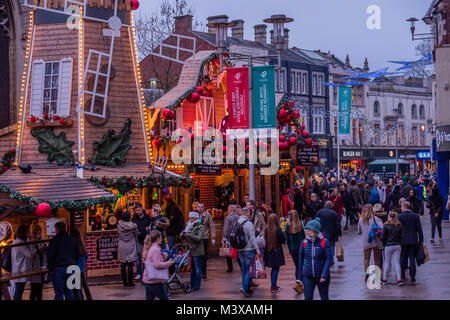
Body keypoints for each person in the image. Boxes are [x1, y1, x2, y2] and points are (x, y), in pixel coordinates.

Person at [297, 218, 333, 300]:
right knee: (308, 297)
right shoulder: (304, 242)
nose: (307, 231)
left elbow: (328, 259)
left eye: (309, 229)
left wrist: (324, 275)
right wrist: (299, 277)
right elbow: (300, 260)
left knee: (324, 297)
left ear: (315, 230)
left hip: (321, 275)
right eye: (306, 229)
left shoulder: (325, 241)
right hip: (307, 275)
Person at [46, 222, 79, 300]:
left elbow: (50, 256)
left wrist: (50, 266)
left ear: (57, 229)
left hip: (58, 269)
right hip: (71, 268)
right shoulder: (72, 239)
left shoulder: (54, 240)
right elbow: (77, 254)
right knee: (69, 292)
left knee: (59, 294)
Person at [142, 230, 175, 300]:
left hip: (147, 279)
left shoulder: (149, 247)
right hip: (155, 280)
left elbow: (151, 260)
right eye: (161, 237)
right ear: (158, 238)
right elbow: (156, 265)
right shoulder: (155, 249)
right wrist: (169, 263)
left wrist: (163, 257)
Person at [398, 201, 424, 284]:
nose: (401, 208)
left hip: (403, 241)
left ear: (404, 207)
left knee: (403, 258)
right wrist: (421, 240)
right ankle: (413, 277)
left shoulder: (400, 216)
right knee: (412, 258)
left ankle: (402, 275)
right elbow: (419, 229)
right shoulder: (415, 216)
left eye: (402, 207)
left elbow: (398, 230)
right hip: (413, 240)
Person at [237, 208, 261, 297]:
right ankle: (244, 287)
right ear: (248, 214)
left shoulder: (237, 222)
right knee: (249, 270)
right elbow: (253, 239)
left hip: (240, 250)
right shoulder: (248, 224)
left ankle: (246, 288)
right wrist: (257, 250)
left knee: (244, 269)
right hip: (249, 249)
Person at [357, 205, 383, 282]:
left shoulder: (361, 219)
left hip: (366, 242)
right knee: (377, 258)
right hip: (375, 241)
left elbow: (359, 231)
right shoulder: (375, 219)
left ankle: (367, 274)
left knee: (366, 259)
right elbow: (382, 227)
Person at [264, 214, 286, 293]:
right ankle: (273, 286)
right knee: (276, 269)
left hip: (269, 250)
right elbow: (283, 239)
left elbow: (265, 239)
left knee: (273, 269)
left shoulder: (266, 229)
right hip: (277, 251)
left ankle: (273, 285)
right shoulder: (278, 229)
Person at [381, 212, 404, 286]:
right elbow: (402, 236)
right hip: (397, 245)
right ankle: (399, 279)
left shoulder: (386, 225)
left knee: (387, 262)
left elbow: (383, 236)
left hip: (388, 245)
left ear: (390, 217)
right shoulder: (399, 225)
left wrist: (383, 244)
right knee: (397, 263)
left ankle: (384, 279)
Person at [11, 225, 33, 300]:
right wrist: (32, 243)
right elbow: (29, 255)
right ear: (23, 233)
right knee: (19, 291)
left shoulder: (16, 241)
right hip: (21, 270)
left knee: (18, 290)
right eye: (27, 232)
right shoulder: (20, 243)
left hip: (17, 269)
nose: (28, 234)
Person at [117, 211, 138, 287]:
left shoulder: (119, 224)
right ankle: (130, 282)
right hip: (131, 244)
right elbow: (136, 234)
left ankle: (124, 282)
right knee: (130, 263)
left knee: (123, 264)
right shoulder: (134, 225)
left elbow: (118, 233)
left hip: (122, 244)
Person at [131, 203, 151, 280]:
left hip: (146, 240)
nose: (137, 212)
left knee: (146, 257)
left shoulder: (148, 217)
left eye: (138, 210)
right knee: (138, 258)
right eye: (136, 210)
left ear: (142, 209)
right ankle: (139, 273)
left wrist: (148, 229)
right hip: (138, 240)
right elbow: (132, 227)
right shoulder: (134, 218)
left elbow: (151, 227)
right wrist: (136, 232)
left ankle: (146, 273)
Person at [286, 210, 305, 288]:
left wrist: (290, 249)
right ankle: (302, 281)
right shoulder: (300, 226)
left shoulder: (288, 227)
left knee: (297, 266)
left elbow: (288, 240)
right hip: (300, 249)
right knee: (301, 265)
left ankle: (298, 282)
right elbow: (303, 239)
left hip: (293, 249)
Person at [185, 211, 205, 291]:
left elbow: (199, 238)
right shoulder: (189, 225)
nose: (191, 219)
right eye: (190, 218)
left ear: (196, 218)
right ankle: (192, 283)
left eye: (192, 218)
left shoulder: (200, 226)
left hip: (197, 250)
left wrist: (189, 235)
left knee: (197, 268)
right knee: (192, 268)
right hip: (191, 250)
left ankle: (197, 285)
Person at [197, 202, 215, 280]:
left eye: (201, 207)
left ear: (204, 208)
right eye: (199, 207)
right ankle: (197, 272)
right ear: (196, 207)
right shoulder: (193, 215)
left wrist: (213, 237)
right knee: (197, 256)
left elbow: (212, 225)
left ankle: (203, 273)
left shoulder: (207, 215)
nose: (200, 208)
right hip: (196, 237)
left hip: (204, 237)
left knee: (204, 255)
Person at [29, 222, 46, 301]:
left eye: (40, 232)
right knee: (33, 290)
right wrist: (38, 249)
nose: (40, 234)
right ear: (34, 233)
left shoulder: (41, 240)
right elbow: (30, 254)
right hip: (34, 268)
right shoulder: (31, 242)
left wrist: (44, 249)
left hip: (41, 266)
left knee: (40, 290)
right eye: (39, 232)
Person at [70, 229, 88, 300]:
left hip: (74, 271)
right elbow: (86, 257)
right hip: (81, 270)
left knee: (75, 292)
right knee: (78, 291)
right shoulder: (81, 245)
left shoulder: (73, 246)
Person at [222, 205, 241, 272]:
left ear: (229, 210)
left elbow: (226, 229)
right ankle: (241, 267)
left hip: (230, 236)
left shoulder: (228, 217)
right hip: (236, 236)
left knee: (228, 251)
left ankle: (230, 268)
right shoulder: (238, 217)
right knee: (238, 252)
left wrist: (224, 237)